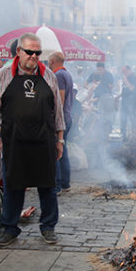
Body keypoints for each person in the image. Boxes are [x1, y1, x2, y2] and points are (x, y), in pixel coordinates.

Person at [0, 33, 65, 246]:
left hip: (44, 140)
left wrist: (60, 140)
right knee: (13, 185)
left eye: (37, 53)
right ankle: (10, 228)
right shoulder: (4, 75)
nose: (34, 56)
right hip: (15, 140)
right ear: (19, 51)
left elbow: (57, 111)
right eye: (29, 52)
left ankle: (48, 226)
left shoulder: (49, 75)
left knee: (47, 185)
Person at [49, 51, 74, 192]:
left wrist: (55, 118)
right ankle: (65, 183)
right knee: (63, 150)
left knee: (56, 151)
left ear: (52, 61)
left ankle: (57, 185)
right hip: (67, 117)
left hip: (61, 119)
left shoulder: (58, 75)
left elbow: (61, 98)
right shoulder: (67, 74)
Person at [120, 65, 136, 138]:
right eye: (122, 72)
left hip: (132, 102)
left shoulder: (133, 78)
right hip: (124, 102)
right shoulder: (127, 77)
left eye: (124, 71)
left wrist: (125, 81)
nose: (123, 73)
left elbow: (132, 88)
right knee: (123, 119)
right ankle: (123, 136)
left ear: (129, 70)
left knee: (132, 120)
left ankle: (134, 136)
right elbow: (124, 89)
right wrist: (118, 97)